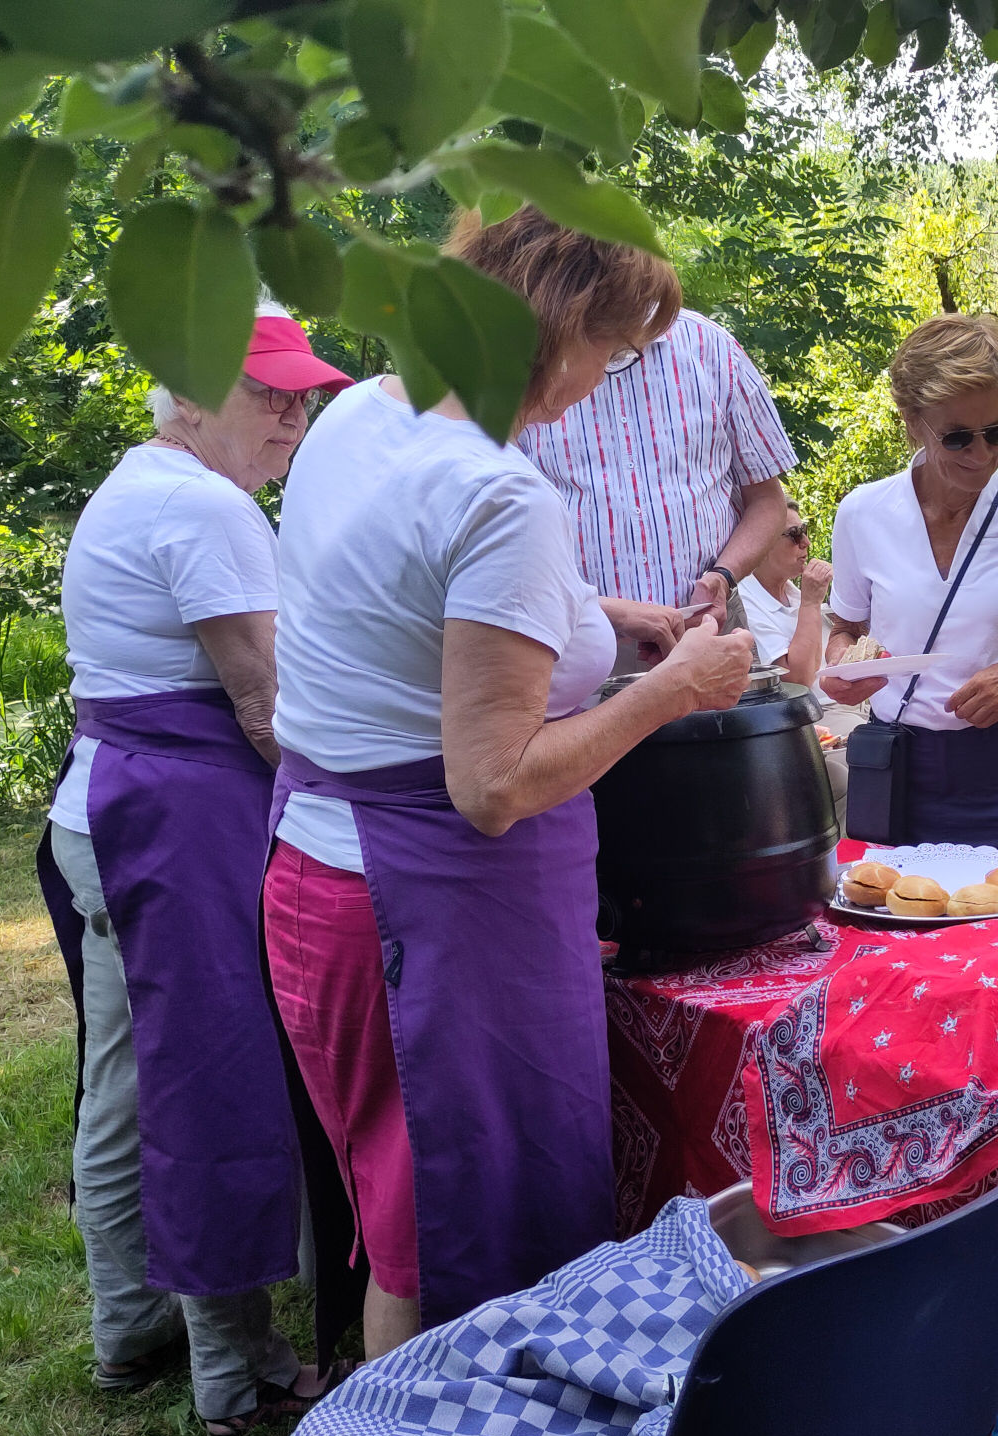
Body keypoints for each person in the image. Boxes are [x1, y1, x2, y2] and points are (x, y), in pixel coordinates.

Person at [263, 207, 755, 1360]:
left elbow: (408, 620)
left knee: (404, 1214)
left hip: (318, 864)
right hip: (440, 907)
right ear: (554, 329)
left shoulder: (356, 417)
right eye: (612, 348)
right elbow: (491, 784)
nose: (608, 377)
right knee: (461, 1225)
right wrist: (673, 687)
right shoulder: (502, 492)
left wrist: (590, 623)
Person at [36, 307, 355, 1436]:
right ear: (183, 390)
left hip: (104, 813)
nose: (295, 412)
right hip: (174, 828)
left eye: (301, 392)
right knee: (211, 1084)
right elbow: (271, 711)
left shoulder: (138, 485)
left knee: (124, 1084)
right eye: (267, 392)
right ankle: (239, 1372)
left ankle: (130, 1329)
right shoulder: (207, 508)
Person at [821, 313, 998, 866]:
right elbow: (847, 629)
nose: (981, 455)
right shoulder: (863, 513)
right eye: (958, 437)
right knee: (896, 940)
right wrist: (845, 671)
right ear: (911, 422)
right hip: (896, 774)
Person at [518, 304, 799, 630]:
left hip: (709, 623)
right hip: (576, 632)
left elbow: (767, 501)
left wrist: (723, 575)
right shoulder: (526, 356)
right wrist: (607, 611)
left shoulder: (712, 347)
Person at [738, 499, 866, 828]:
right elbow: (797, 681)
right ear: (762, 544)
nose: (806, 543)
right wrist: (812, 600)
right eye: (794, 534)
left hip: (846, 706)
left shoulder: (791, 593)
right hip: (811, 717)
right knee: (875, 763)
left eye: (805, 531)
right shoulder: (748, 600)